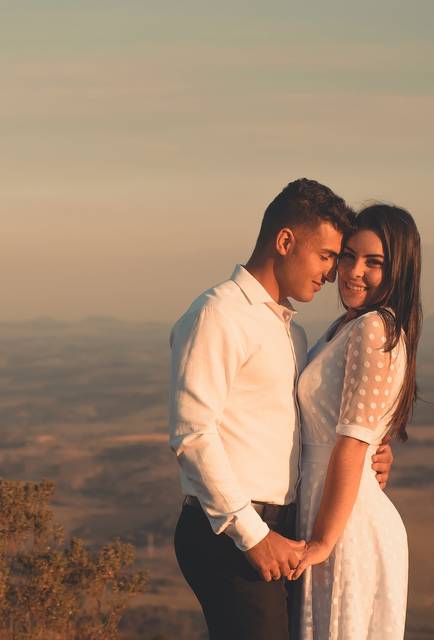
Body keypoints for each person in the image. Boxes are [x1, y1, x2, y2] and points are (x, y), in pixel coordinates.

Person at [169, 178, 395, 640]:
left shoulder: (292, 332)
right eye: (328, 255)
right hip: (231, 531)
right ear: (285, 241)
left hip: (282, 525)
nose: (333, 274)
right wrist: (252, 535)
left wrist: (373, 451)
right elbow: (192, 434)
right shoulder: (218, 314)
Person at [291, 204, 420, 639]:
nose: (353, 271)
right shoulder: (345, 326)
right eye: (348, 256)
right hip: (327, 511)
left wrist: (324, 542)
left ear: (399, 270)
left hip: (345, 528)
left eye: (374, 262)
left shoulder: (374, 328)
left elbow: (350, 444)